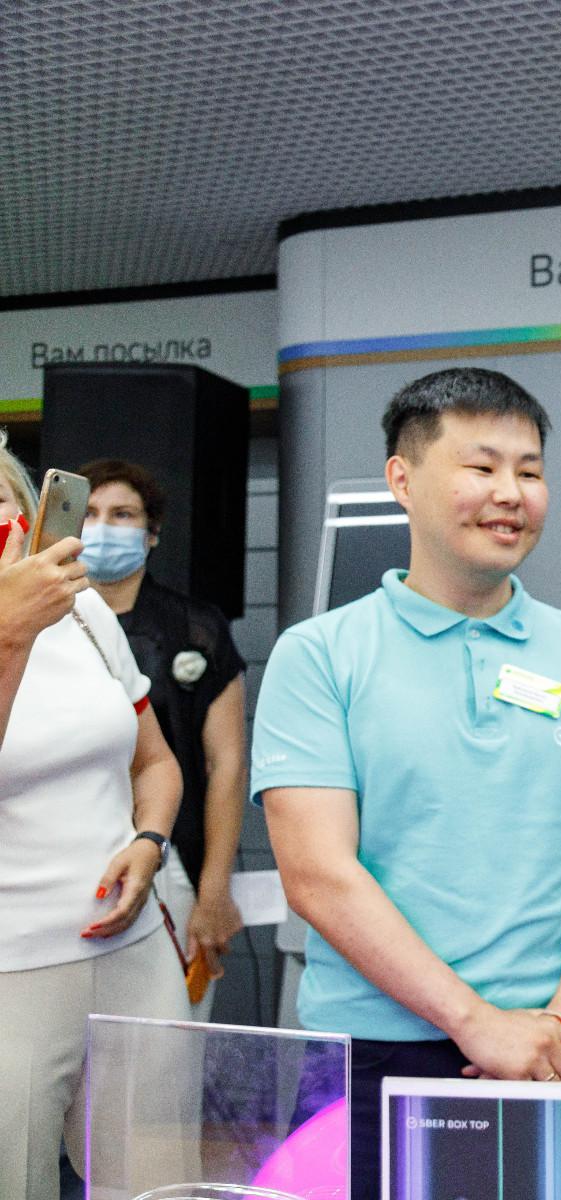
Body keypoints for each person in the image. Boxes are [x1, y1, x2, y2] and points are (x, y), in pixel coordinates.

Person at [252, 368, 561, 1200]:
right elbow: (318, 875)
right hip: (376, 1053)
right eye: (482, 467)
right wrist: (476, 1023)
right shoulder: (320, 654)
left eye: (530, 470)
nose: (510, 493)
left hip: (558, 1047)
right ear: (402, 479)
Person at [0, 435, 189, 1199]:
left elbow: (156, 763)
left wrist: (149, 840)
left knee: (158, 1182)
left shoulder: (83, 614)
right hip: (11, 968)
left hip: (135, 954)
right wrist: (9, 634)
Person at [79, 458, 247, 1016]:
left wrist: (214, 888)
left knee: (170, 1031)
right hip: (65, 851)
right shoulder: (41, 626)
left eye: (122, 515)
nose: (103, 527)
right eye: (90, 513)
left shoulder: (194, 628)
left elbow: (226, 764)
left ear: (151, 534)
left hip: (170, 854)